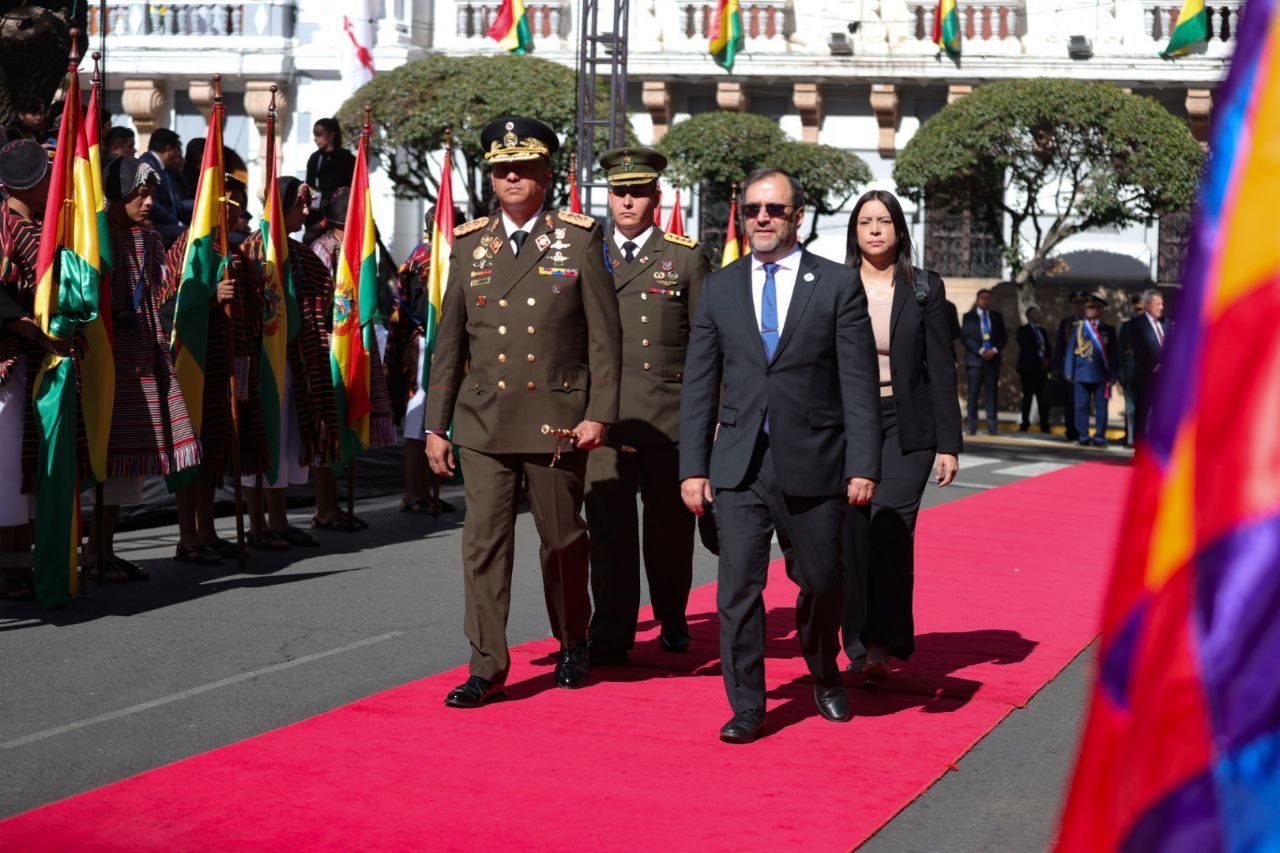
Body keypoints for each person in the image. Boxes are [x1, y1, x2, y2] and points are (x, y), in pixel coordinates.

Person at [679, 167, 881, 744]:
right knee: (737, 590)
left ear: (797, 217)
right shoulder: (720, 286)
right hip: (740, 463)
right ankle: (748, 704)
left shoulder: (836, 284)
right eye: (752, 210)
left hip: (816, 458)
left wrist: (863, 465)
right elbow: (700, 384)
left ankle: (823, 668)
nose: (762, 218)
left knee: (821, 580)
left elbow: (859, 383)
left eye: (774, 209)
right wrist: (693, 468)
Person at [425, 115, 621, 707]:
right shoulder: (469, 243)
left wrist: (599, 413)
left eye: (523, 168)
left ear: (546, 175)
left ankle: (573, 640)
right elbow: (450, 342)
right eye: (501, 170)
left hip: (554, 419)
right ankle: (486, 665)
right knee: (484, 546)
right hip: (483, 420)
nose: (511, 178)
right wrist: (436, 424)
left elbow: (605, 340)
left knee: (562, 542)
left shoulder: (578, 238)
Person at [584, 146, 709, 666]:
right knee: (608, 532)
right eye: (620, 193)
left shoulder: (686, 256)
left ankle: (672, 615)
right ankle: (611, 630)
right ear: (609, 197)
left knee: (669, 532)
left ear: (656, 196)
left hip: (668, 418)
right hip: (604, 417)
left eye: (638, 192)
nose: (628, 202)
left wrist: (709, 420)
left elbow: (706, 345)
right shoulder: (585, 252)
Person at [839, 188, 961, 683]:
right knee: (853, 535)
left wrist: (949, 444)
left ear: (899, 230)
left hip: (908, 425)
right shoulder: (834, 285)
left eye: (884, 221)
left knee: (890, 529)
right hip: (850, 422)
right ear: (854, 231)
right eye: (865, 221)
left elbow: (942, 368)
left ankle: (880, 648)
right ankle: (855, 640)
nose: (874, 230)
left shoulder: (925, 287)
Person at [90, 156, 202, 581]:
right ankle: (94, 552)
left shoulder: (151, 240)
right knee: (106, 459)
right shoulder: (94, 237)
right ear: (117, 196)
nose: (150, 202)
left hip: (142, 358)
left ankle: (105, 550)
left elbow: (160, 292)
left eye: (152, 194)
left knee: (127, 466)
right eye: (140, 194)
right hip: (105, 362)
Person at [238, 177, 343, 548]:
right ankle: (256, 526)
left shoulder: (302, 255)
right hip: (260, 361)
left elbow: (322, 298)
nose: (307, 211)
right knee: (261, 438)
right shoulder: (252, 250)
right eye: (300, 205)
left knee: (286, 440)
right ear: (281, 207)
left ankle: (278, 521)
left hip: (296, 360)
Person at [162, 197, 259, 564]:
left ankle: (207, 531)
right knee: (190, 450)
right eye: (229, 200)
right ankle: (188, 536)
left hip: (223, 365)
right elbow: (170, 305)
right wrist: (211, 298)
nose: (236, 210)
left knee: (213, 449)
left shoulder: (232, 250)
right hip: (192, 364)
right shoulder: (187, 247)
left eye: (238, 203)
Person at [0, 140, 72, 600]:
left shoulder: (35, 229)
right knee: (8, 472)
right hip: (7, 365)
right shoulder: (8, 229)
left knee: (25, 472)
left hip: (32, 364)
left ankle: (20, 564)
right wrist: (39, 335)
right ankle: (7, 569)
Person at [389, 205, 459, 515]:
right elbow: (418, 308)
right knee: (419, 424)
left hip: (439, 342)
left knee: (435, 422)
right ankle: (412, 493)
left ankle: (427, 491)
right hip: (425, 343)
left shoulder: (431, 255)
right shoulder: (426, 259)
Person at [1063, 295, 1117, 447]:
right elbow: (1070, 350)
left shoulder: (1108, 330)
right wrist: (1068, 371)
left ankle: (1099, 437)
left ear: (1101, 310)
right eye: (1088, 308)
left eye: (1093, 308)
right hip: (1082, 374)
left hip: (1102, 375)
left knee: (1101, 409)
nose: (1089, 310)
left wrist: (1113, 374)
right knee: (1081, 407)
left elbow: (1113, 354)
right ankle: (1083, 436)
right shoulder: (1078, 327)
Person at [961, 289, 1006, 435]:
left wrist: (994, 350)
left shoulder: (997, 317)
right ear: (977, 300)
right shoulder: (969, 317)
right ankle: (972, 426)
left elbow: (1003, 337)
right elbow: (966, 338)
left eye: (988, 298)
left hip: (992, 362)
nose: (985, 301)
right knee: (973, 395)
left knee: (991, 395)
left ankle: (992, 426)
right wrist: (981, 351)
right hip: (975, 361)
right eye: (982, 298)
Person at [304, 118, 356, 244]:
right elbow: (311, 187)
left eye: (319, 135)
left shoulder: (347, 158)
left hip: (342, 215)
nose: (315, 139)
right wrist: (315, 207)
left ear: (331, 135)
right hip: (318, 215)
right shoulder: (315, 158)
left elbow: (353, 188)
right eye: (314, 135)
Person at [1128, 288, 1168, 445]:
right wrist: (1155, 366)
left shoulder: (1166, 323)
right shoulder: (1136, 324)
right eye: (1158, 304)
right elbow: (1136, 349)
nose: (1162, 307)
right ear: (1147, 305)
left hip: (1164, 380)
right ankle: (1140, 449)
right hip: (1145, 378)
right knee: (1142, 415)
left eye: (1162, 304)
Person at [138, 128, 187, 245]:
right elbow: (153, 204)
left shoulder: (164, 168)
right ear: (169, 149)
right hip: (157, 225)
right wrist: (175, 223)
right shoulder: (148, 165)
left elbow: (176, 202)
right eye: (177, 150)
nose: (178, 155)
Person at [1055, 290, 1089, 441]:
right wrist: (1057, 367)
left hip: (1087, 368)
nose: (1080, 306)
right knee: (1070, 401)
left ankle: (1082, 431)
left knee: (1083, 402)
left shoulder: (1090, 322)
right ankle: (1071, 430)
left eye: (1083, 303)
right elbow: (1059, 347)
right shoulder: (1067, 323)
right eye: (1077, 304)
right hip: (1070, 367)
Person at [1016, 306, 1053, 433]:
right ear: (1029, 316)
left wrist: (1047, 360)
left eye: (1039, 313)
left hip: (1042, 370)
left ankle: (1044, 424)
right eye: (1036, 313)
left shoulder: (1042, 331)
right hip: (1029, 369)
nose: (1039, 315)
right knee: (1027, 396)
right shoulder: (1023, 330)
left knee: (1043, 397)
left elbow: (1047, 347)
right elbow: (1027, 348)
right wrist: (1039, 360)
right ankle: (1024, 423)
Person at [1116, 294, 1144, 447]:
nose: (1139, 312)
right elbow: (1120, 350)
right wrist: (1120, 371)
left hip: (1146, 372)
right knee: (1130, 408)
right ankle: (1131, 438)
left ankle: (1143, 440)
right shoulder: (1126, 326)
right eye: (1137, 309)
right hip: (1130, 370)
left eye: (1141, 309)